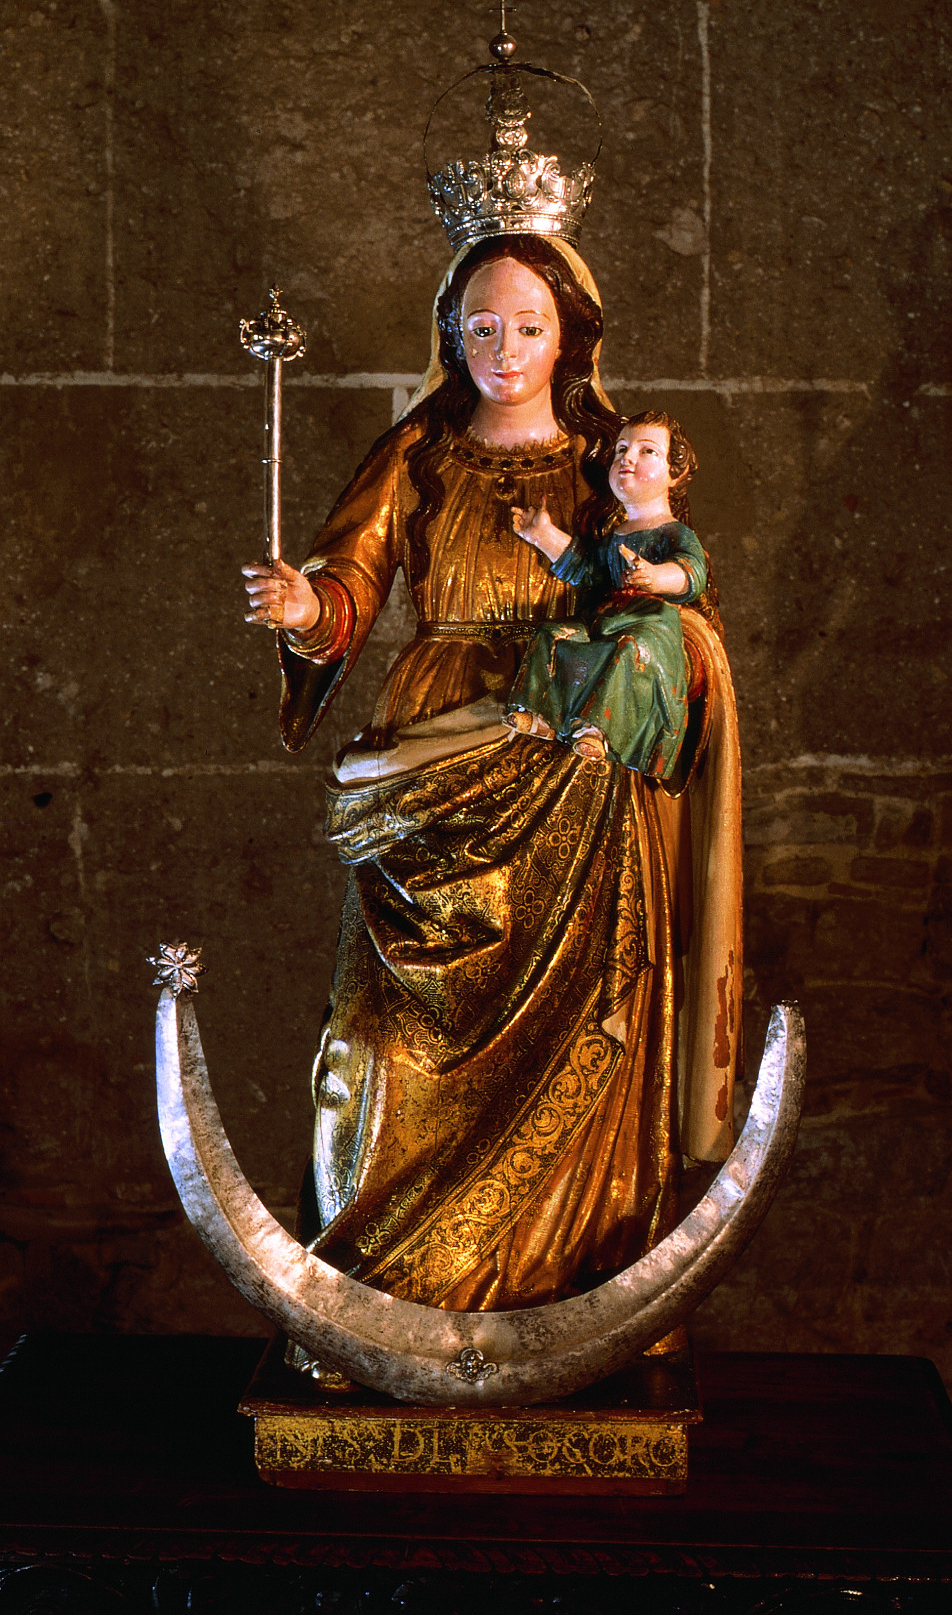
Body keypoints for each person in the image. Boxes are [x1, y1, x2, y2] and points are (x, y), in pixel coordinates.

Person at [241, 233, 742, 1342]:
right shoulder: (417, 455)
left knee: (588, 1021)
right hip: (437, 743)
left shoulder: (614, 459)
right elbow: (347, 583)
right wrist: (305, 609)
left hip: (571, 753)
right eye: (480, 327)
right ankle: (380, 1306)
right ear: (449, 335)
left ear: (571, 338)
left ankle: (565, 1302)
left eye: (529, 326)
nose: (504, 350)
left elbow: (678, 601)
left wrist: (659, 644)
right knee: (385, 1041)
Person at [507, 412, 707, 776]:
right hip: (605, 619)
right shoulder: (616, 534)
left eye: (647, 451)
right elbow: (589, 570)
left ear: (674, 474)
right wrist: (544, 536)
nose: (628, 458)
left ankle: (598, 730)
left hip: (650, 624)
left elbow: (692, 573)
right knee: (552, 634)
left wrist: (655, 576)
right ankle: (538, 714)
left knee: (628, 649)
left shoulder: (673, 533)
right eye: (621, 450)